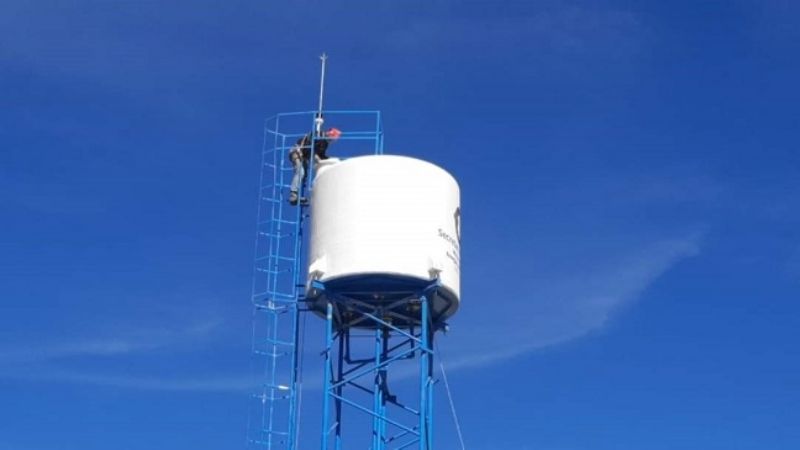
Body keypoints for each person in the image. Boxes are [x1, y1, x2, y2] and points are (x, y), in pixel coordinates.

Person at [288, 127, 342, 205]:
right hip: (297, 152)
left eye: (335, 137)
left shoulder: (324, 143)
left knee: (304, 175)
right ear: (330, 133)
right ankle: (293, 194)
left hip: (303, 157)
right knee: (300, 172)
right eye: (333, 136)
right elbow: (310, 141)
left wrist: (332, 160)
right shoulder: (319, 135)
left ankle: (301, 196)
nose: (333, 139)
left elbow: (321, 155)